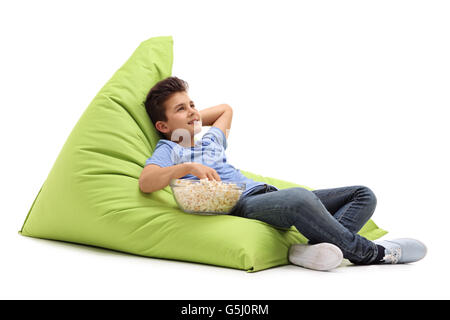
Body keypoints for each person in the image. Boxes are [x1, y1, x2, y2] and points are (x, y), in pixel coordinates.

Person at [139, 76, 427, 271]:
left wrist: (191, 116)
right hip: (243, 204)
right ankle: (371, 253)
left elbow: (226, 109)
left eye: (192, 105)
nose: (192, 111)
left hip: (270, 195)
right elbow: (147, 182)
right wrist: (188, 167)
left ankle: (312, 250)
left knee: (363, 195)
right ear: (162, 126)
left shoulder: (210, 141)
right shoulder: (170, 150)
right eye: (181, 108)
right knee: (300, 198)